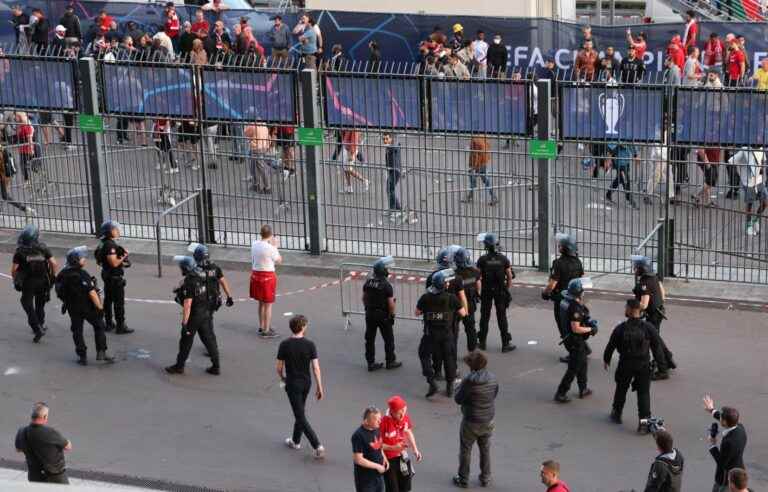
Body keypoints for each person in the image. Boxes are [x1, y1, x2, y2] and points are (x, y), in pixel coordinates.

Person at [603, 298, 666, 429]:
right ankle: (643, 424)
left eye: (626, 307)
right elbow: (657, 347)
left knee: (621, 389)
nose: (625, 309)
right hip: (643, 365)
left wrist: (606, 359)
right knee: (643, 393)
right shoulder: (648, 328)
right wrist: (661, 366)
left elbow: (611, 345)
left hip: (625, 363)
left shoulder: (620, 328)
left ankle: (616, 414)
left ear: (631, 310)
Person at [55, 246, 115, 366]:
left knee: (77, 331)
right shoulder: (82, 274)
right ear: (76, 260)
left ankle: (82, 356)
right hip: (87, 307)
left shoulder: (62, 274)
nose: (84, 260)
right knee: (99, 326)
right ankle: (101, 352)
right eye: (82, 258)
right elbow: (92, 292)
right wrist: (100, 307)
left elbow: (59, 291)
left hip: (72, 307)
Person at [278, 315, 326, 459]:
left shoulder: (285, 344)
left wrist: (283, 378)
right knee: (300, 411)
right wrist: (320, 386)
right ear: (303, 327)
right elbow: (316, 368)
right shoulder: (310, 344)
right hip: (306, 383)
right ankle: (296, 440)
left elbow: (279, 367)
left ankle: (317, 445)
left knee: (299, 415)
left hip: (292, 383)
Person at [165, 255, 220, 375]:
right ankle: (216, 366)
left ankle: (179, 366)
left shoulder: (189, 282)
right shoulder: (202, 275)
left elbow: (188, 304)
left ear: (185, 268)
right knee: (208, 339)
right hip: (205, 311)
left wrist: (184, 323)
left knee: (186, 340)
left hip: (195, 315)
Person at [416, 269, 467, 397]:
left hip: (430, 334)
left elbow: (417, 312)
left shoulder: (425, 297)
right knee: (449, 358)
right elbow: (463, 313)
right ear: (444, 285)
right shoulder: (451, 298)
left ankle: (431, 380)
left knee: (424, 355)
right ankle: (450, 387)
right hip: (446, 334)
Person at [453, 351, 498, 489]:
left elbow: (458, 399)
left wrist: (457, 384)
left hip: (471, 421)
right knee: (485, 449)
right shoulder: (493, 378)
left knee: (466, 450)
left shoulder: (469, 381)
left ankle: (463, 478)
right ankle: (485, 477)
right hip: (488, 419)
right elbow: (494, 394)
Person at [541, 233, 584, 363]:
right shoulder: (578, 262)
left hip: (561, 300)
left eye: (560, 245)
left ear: (564, 248)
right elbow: (582, 280)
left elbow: (552, 284)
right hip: (575, 299)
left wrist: (545, 293)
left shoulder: (558, 263)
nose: (558, 246)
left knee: (564, 327)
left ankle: (573, 353)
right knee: (575, 324)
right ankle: (583, 348)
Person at [631, 255, 676, 380]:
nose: (634, 269)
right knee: (656, 337)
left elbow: (644, 304)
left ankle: (662, 370)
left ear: (642, 269)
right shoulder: (653, 277)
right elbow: (662, 292)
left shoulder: (645, 283)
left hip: (653, 315)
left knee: (653, 342)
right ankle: (668, 359)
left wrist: (633, 309)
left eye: (636, 267)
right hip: (658, 311)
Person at [553, 278, 598, 403]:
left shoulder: (565, 301)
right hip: (575, 340)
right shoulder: (575, 307)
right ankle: (561, 393)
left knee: (582, 363)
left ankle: (583, 388)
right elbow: (576, 328)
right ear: (580, 293)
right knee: (573, 368)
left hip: (570, 338)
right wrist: (591, 329)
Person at [12, 224, 56, 343]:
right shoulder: (43, 248)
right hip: (43, 280)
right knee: (40, 303)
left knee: (26, 303)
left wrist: (15, 280)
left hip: (28, 282)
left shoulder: (20, 251)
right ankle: (40, 324)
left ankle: (36, 328)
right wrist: (52, 276)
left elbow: (14, 269)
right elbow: (53, 263)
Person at [189, 243, 234, 355]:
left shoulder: (195, 270)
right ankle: (212, 347)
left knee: (205, 327)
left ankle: (212, 348)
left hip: (201, 303)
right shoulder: (215, 267)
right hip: (213, 301)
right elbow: (223, 281)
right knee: (208, 322)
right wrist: (229, 296)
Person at [15, 402, 72, 484]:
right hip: (55, 477)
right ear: (45, 417)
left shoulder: (22, 431)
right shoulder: (51, 432)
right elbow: (68, 446)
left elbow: (18, 449)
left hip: (34, 476)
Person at [476, 233, 514, 352]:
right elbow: (509, 276)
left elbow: (478, 277)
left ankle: (482, 342)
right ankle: (505, 344)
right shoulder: (503, 259)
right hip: (500, 290)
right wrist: (507, 288)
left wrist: (478, 292)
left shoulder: (482, 259)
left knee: (485, 316)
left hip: (487, 290)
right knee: (501, 316)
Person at [362, 256, 401, 371]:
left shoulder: (368, 282)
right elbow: (391, 304)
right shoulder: (386, 285)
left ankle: (371, 363)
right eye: (387, 269)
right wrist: (392, 315)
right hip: (382, 315)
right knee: (388, 338)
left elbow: (363, 298)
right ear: (383, 271)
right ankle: (390, 361)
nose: (388, 271)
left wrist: (367, 308)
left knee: (369, 339)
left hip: (369, 313)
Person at [95, 220, 133, 334]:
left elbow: (99, 259)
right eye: (115, 229)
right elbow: (114, 263)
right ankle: (120, 326)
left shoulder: (102, 243)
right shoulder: (110, 245)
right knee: (118, 302)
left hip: (107, 274)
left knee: (108, 299)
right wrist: (124, 256)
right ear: (110, 232)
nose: (118, 231)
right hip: (114, 276)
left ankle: (108, 323)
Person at [703, 396, 748, 492]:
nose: (720, 419)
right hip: (739, 468)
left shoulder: (729, 442)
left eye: (721, 418)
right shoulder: (740, 428)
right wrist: (712, 410)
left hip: (726, 477)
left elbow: (722, 463)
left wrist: (712, 445)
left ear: (724, 422)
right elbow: (726, 418)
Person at [381, 396, 422, 492]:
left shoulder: (404, 418)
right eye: (400, 412)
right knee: (392, 489)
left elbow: (408, 432)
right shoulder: (383, 423)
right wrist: (393, 448)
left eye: (404, 410)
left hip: (402, 457)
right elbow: (378, 445)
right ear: (392, 411)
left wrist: (415, 450)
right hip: (388, 460)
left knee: (406, 486)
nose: (403, 414)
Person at [250, 224, 282, 337]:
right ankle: (266, 330)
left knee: (260, 302)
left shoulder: (254, 244)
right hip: (267, 276)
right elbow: (279, 260)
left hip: (255, 274)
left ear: (261, 234)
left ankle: (262, 325)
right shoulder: (271, 248)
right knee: (268, 304)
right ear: (270, 235)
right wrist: (275, 246)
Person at [730, 148, 766, 235]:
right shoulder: (744, 150)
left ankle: (756, 220)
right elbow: (731, 161)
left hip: (759, 180)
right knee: (749, 204)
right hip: (748, 182)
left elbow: (762, 161)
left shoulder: (761, 148)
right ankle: (748, 226)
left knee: (765, 202)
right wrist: (741, 172)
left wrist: (760, 169)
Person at [352, 407, 387, 492]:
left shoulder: (377, 429)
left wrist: (385, 459)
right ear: (366, 421)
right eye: (376, 419)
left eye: (380, 418)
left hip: (378, 476)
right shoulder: (358, 435)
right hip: (366, 480)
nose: (380, 421)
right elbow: (358, 459)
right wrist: (378, 466)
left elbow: (379, 447)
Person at [453, 248, 481, 352]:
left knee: (454, 329)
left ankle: (452, 354)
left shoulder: (453, 274)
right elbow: (478, 286)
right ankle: (472, 351)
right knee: (470, 328)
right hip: (470, 304)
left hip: (456, 305)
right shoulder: (475, 272)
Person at [0, 142, 35, 216]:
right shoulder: (2, 148)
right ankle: (25, 209)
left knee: (5, 195)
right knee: (5, 196)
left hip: (4, 176)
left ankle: (25, 209)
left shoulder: (2, 150)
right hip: (6, 175)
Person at [461, 136, 497, 206]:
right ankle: (493, 197)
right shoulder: (482, 137)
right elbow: (488, 146)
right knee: (486, 181)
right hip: (484, 161)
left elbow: (475, 155)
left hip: (478, 164)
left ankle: (470, 197)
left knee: (473, 179)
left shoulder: (474, 141)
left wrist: (474, 167)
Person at [605, 143, 640, 209]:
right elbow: (611, 147)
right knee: (626, 181)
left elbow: (631, 145)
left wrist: (635, 156)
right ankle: (629, 199)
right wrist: (609, 161)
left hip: (626, 162)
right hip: (619, 163)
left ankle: (608, 195)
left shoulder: (628, 136)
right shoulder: (618, 136)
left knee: (619, 180)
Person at [383, 133, 403, 219]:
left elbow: (395, 147)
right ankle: (392, 209)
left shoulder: (394, 145)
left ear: (391, 138)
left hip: (395, 171)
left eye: (387, 139)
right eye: (383, 139)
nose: (385, 141)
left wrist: (389, 145)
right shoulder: (389, 146)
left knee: (390, 190)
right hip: (392, 171)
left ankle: (398, 210)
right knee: (389, 189)